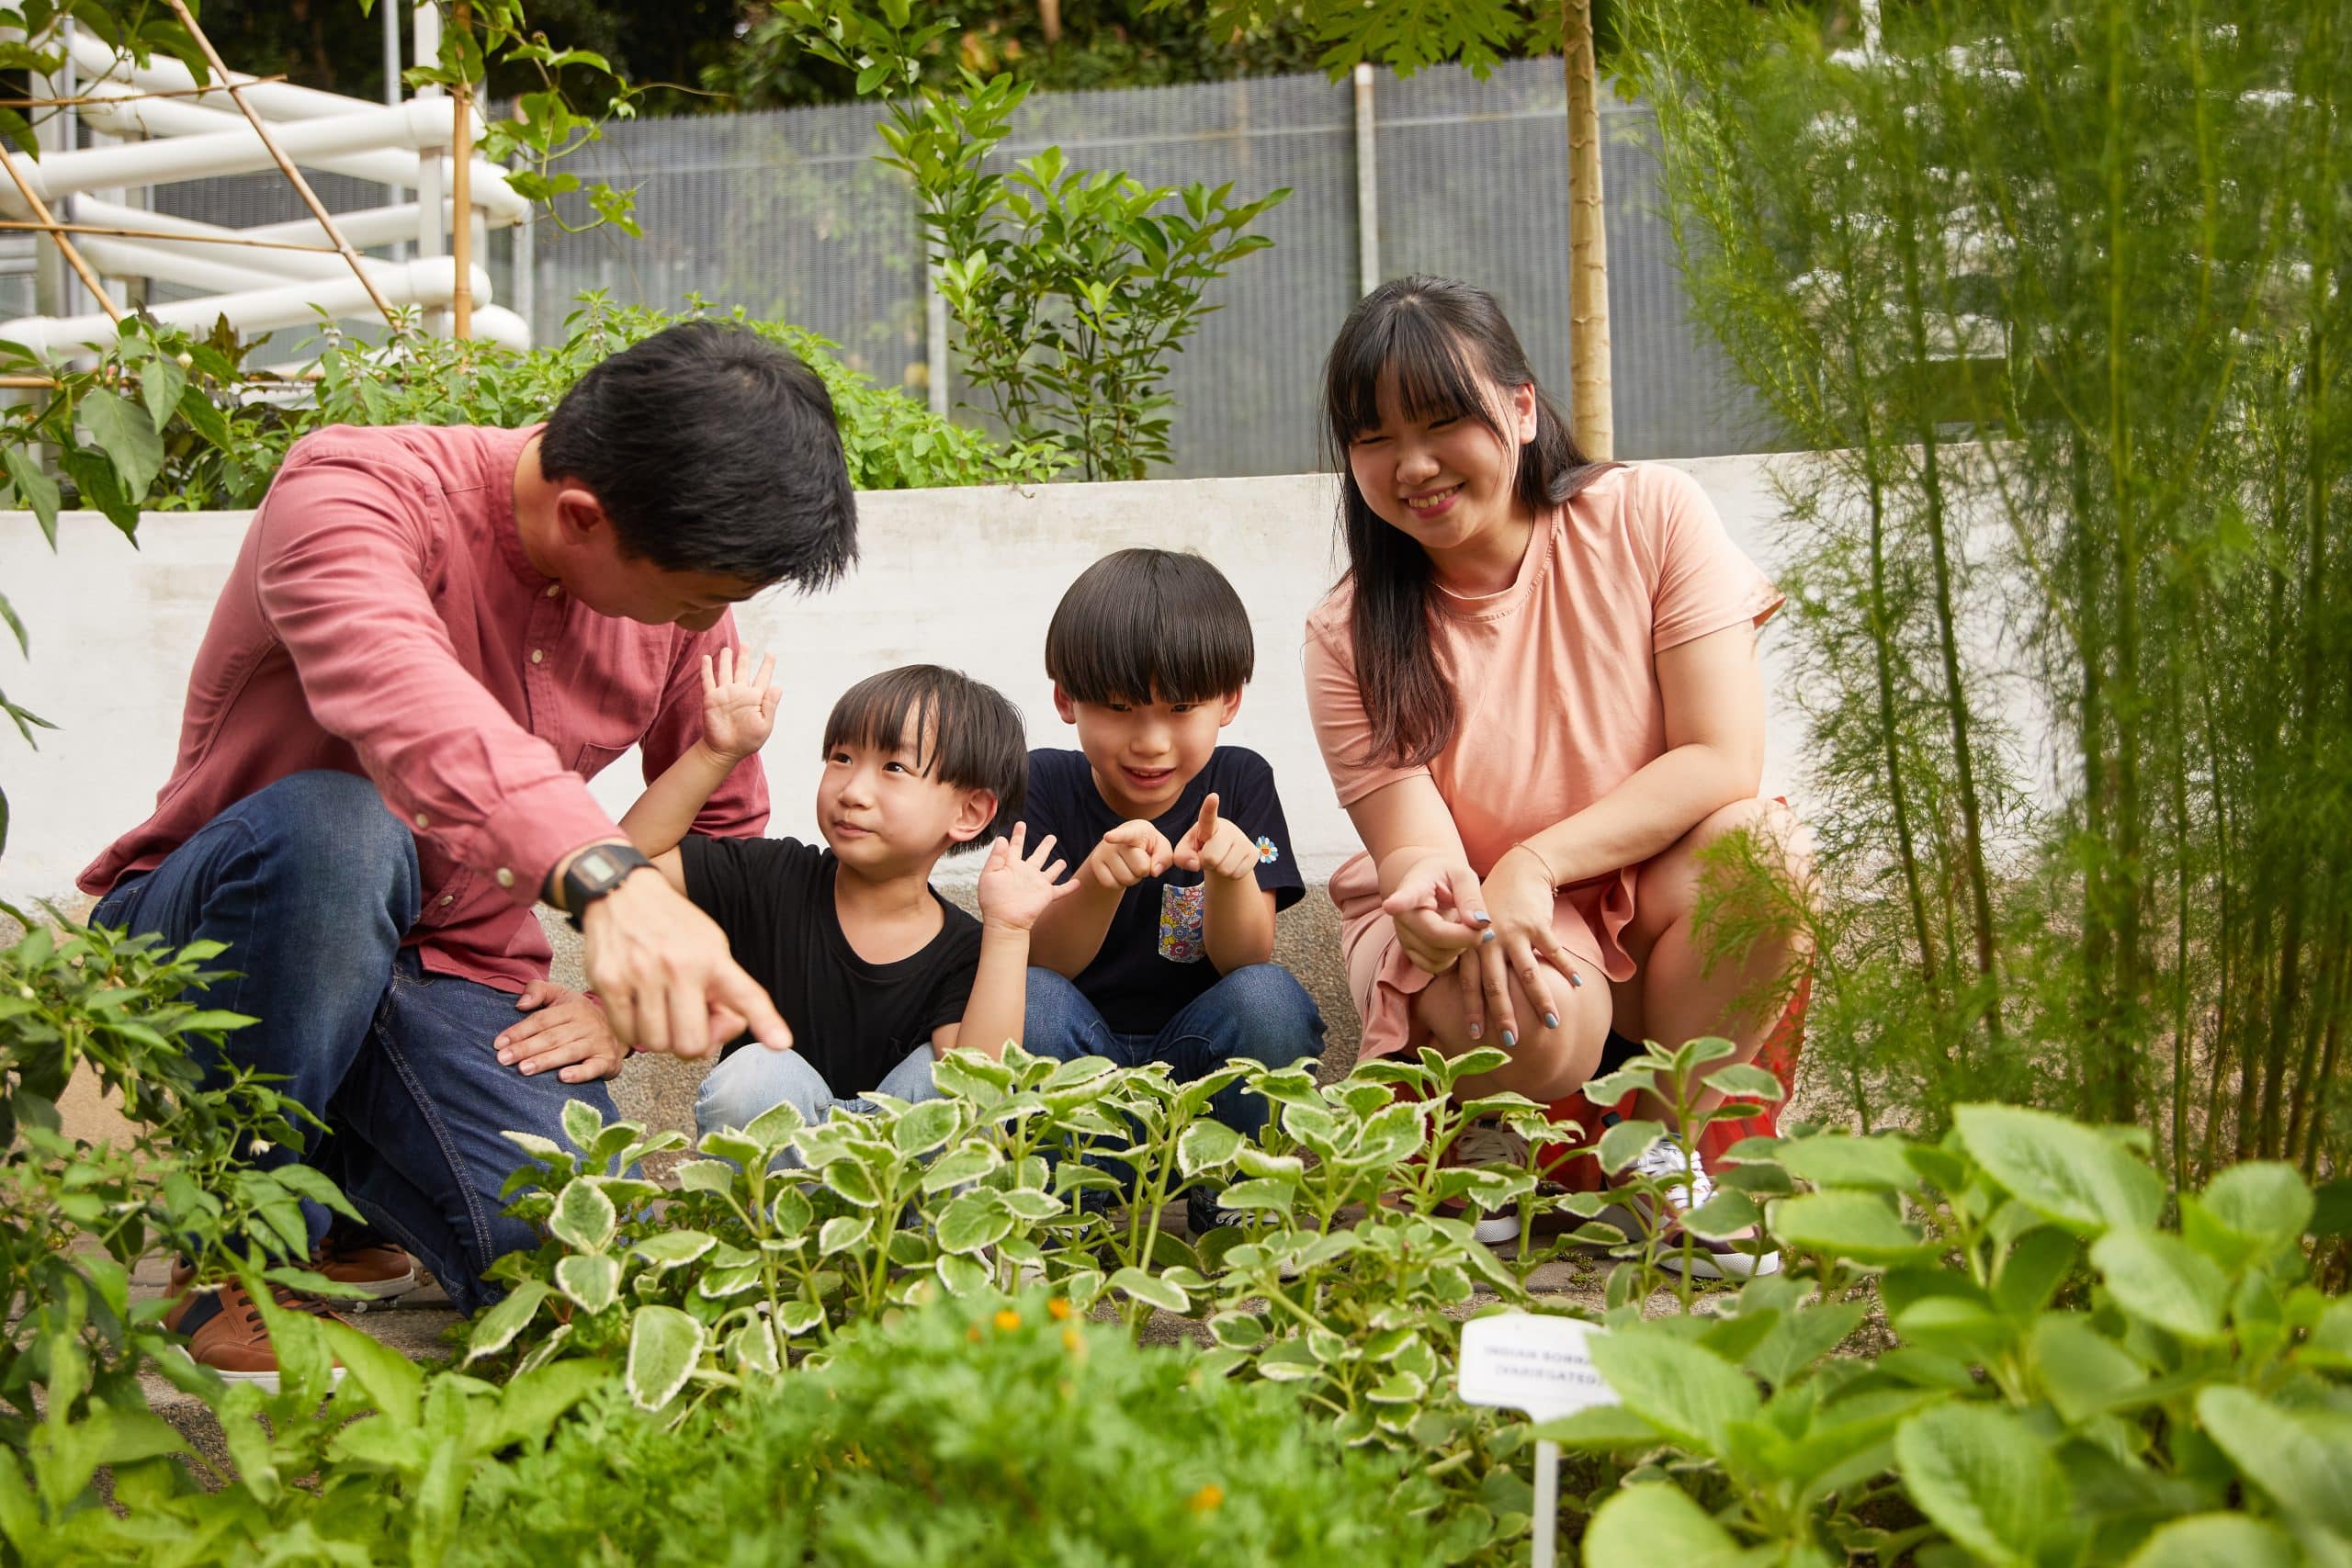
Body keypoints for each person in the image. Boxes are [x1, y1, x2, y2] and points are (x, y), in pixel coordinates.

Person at [82, 321, 853, 1382]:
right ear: (584, 518)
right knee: (341, 829)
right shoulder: (353, 491)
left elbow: (721, 833)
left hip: (452, 968)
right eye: (698, 600)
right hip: (232, 926)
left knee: (572, 1250)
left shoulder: (681, 609)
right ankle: (239, 1249)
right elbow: (405, 699)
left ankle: (345, 1192)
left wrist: (616, 1007)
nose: (706, 625)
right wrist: (601, 880)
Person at [1303, 276, 1807, 1275]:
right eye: (1374, 438)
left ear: (1523, 408)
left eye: (1446, 420)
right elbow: (1423, 853)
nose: (1413, 464)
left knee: (1765, 854)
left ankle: (1659, 1155)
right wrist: (1438, 905)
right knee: (1531, 1025)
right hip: (1486, 923)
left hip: (1642, 877)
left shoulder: (1648, 515)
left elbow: (1720, 755)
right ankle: (1490, 1140)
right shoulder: (1347, 631)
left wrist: (1536, 861)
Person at [616, 656, 1074, 1135]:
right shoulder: (773, 877)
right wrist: (715, 753)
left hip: (899, 1174)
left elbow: (983, 1093)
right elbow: (619, 864)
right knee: (754, 1075)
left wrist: (1007, 930)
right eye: (841, 758)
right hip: (784, 1169)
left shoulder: (964, 954)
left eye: (894, 766)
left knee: (942, 1082)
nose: (853, 790)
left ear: (970, 812)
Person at [1020, 548, 1327, 1235]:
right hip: (1080, 1078)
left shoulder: (1241, 780)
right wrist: (1095, 882)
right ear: (1066, 699)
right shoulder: (1041, 783)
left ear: (1229, 700)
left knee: (1271, 998)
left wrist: (1230, 874)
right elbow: (1038, 959)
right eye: (1120, 708)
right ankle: (1077, 1202)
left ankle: (1233, 1195)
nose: (1151, 741)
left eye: (1181, 708)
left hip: (1199, 1088)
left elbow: (1245, 958)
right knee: (1029, 996)